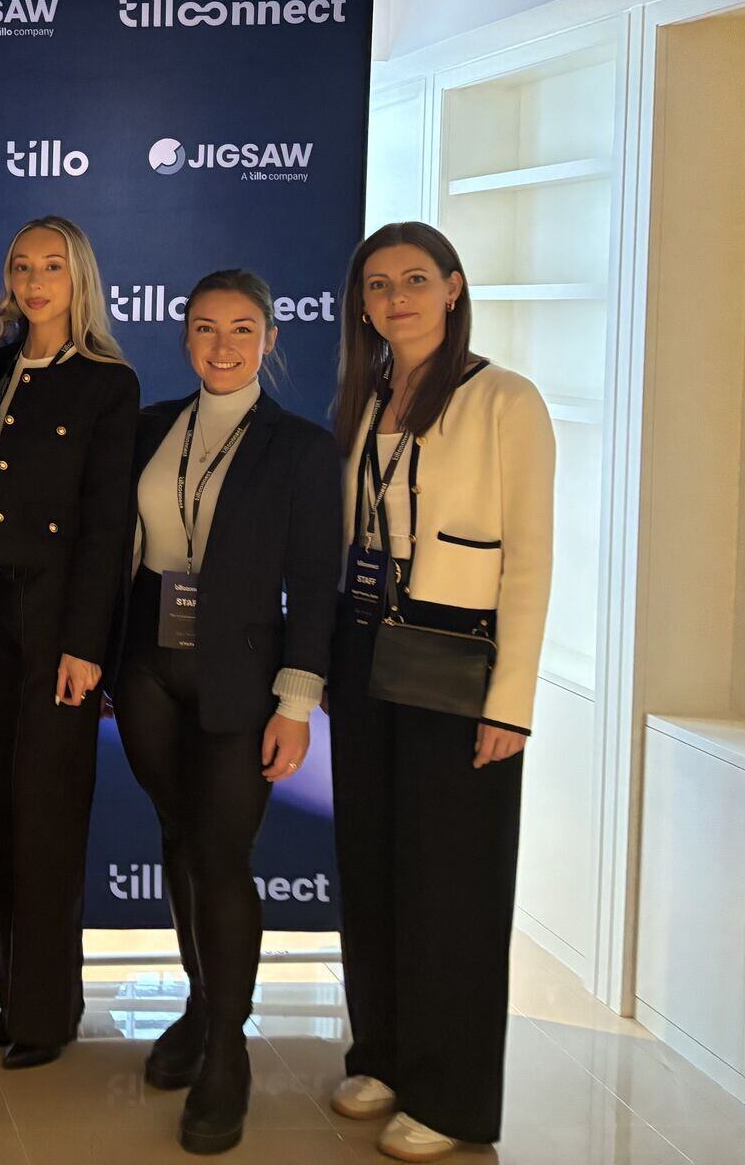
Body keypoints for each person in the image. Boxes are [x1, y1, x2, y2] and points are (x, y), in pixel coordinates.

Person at [328, 222, 554, 1163]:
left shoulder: (506, 398)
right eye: (378, 286)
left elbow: (532, 566)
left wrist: (513, 703)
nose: (397, 299)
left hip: (459, 667)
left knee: (453, 885)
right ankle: (382, 1056)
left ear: (454, 289)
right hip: (365, 654)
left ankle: (454, 1098)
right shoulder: (365, 398)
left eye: (416, 280)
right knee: (376, 867)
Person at [115, 268, 339, 1154]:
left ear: (270, 339)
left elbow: (315, 590)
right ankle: (200, 1007)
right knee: (178, 840)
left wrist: (298, 702)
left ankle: (227, 1056)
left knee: (220, 852)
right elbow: (120, 551)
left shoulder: (300, 448)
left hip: (243, 683)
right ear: (184, 333)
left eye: (241, 329)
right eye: (205, 328)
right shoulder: (148, 429)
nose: (222, 346)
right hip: (146, 673)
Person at [0, 216, 137, 1072]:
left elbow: (108, 527)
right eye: (22, 266)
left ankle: (49, 1011)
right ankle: (13, 995)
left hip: (59, 619)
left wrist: (86, 644)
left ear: (80, 279)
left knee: (49, 814)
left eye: (53, 268)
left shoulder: (109, 383)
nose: (36, 282)